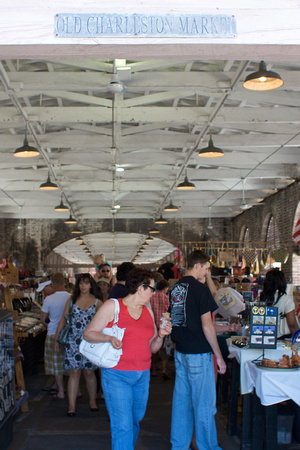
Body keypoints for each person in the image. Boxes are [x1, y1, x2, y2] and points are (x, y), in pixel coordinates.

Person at [83, 267, 172, 450]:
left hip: (142, 376)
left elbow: (153, 348)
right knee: (122, 425)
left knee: (134, 421)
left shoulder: (148, 311)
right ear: (141, 288)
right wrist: (109, 338)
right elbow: (89, 334)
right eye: (152, 288)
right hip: (117, 375)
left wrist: (161, 335)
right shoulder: (112, 306)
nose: (153, 293)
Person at [169, 250, 226, 450]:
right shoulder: (200, 290)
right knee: (204, 406)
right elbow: (207, 325)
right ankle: (208, 447)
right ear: (198, 265)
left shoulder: (175, 289)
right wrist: (219, 357)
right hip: (199, 353)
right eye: (207, 268)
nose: (207, 273)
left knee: (181, 405)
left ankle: (179, 446)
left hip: (181, 351)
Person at [54, 273, 102, 416]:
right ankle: (71, 405)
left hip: (90, 343)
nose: (83, 286)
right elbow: (63, 320)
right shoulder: (71, 300)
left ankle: (92, 401)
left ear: (91, 285)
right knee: (74, 372)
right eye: (81, 283)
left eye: (86, 283)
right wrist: (57, 339)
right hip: (73, 341)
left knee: (89, 372)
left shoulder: (97, 302)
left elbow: (105, 323)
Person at [40, 272, 71, 398]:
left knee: (57, 364)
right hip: (68, 334)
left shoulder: (49, 299)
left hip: (53, 333)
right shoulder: (71, 297)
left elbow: (42, 319)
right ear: (64, 282)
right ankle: (73, 389)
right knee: (68, 362)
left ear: (52, 284)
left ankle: (61, 391)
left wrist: (49, 327)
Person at [259, 268, 299, 338]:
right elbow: (292, 324)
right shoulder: (285, 298)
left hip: (264, 335)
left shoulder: (262, 297)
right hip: (281, 336)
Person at [150, 278, 171, 379]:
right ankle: (164, 370)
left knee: (153, 349)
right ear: (166, 288)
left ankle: (153, 370)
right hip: (164, 326)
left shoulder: (151, 297)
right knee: (164, 349)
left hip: (153, 326)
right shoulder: (167, 298)